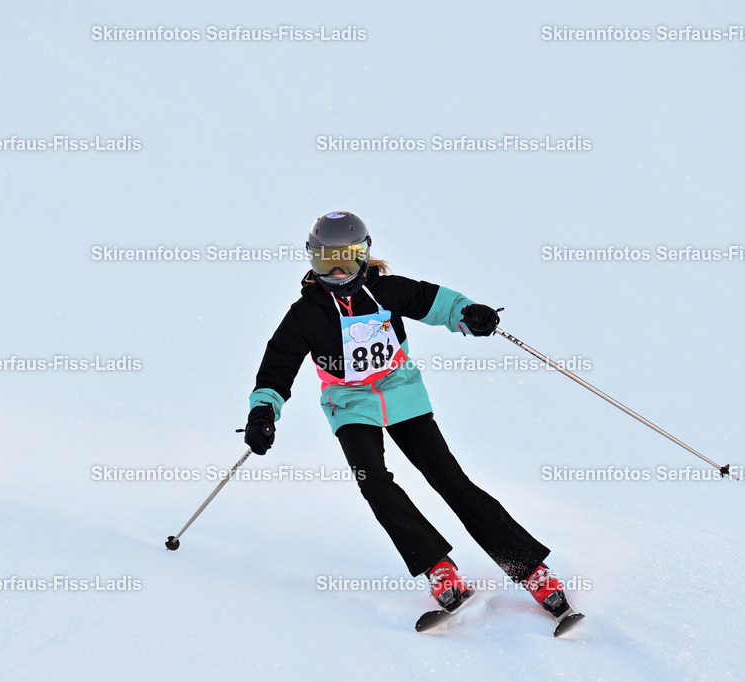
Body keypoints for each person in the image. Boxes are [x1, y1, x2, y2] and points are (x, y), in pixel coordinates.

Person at [243, 211, 579, 628]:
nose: (337, 271)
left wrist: (470, 315)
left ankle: (531, 570)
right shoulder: (305, 314)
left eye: (347, 259)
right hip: (350, 405)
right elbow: (276, 369)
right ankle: (439, 568)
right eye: (327, 261)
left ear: (365, 255)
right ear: (311, 258)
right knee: (374, 484)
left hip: (402, 396)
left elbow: (437, 303)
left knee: (450, 481)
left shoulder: (386, 290)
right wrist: (263, 411)